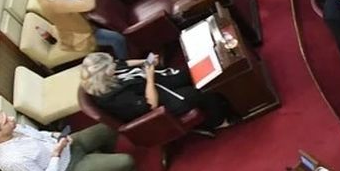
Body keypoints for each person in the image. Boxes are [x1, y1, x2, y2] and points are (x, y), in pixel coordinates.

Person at [0, 109, 135, 171]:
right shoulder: (12, 160)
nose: (12, 119)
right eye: (6, 121)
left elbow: (39, 134)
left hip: (66, 145)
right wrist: (56, 154)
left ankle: (106, 160)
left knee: (109, 126)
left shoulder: (12, 129)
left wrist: (55, 135)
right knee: (126, 161)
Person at [78, 51, 232, 132]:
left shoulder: (106, 71)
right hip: (158, 106)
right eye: (111, 65)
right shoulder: (113, 96)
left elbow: (123, 64)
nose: (114, 65)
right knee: (200, 92)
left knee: (190, 73)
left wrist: (145, 61)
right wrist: (150, 77)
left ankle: (227, 92)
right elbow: (150, 104)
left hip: (151, 82)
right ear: (105, 73)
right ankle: (217, 121)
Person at [27, 0, 128, 60]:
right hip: (80, 35)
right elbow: (88, 5)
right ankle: (124, 65)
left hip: (78, 23)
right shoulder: (52, 2)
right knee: (117, 39)